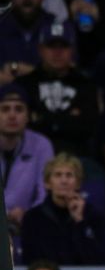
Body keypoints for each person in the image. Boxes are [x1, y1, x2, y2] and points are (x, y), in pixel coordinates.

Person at [16, 19, 99, 156]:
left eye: (63, 46)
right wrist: (68, 120)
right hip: (30, 155)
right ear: (40, 49)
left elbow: (88, 128)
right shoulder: (25, 84)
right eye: (51, 46)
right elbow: (23, 127)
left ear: (72, 50)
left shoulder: (86, 85)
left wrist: (43, 119)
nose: (57, 52)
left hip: (76, 157)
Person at [20, 152, 105, 265]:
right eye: (58, 175)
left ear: (78, 183)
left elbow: (100, 261)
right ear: (47, 183)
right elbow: (29, 261)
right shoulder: (32, 218)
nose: (64, 181)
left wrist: (80, 221)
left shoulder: (95, 216)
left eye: (69, 175)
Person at [0, 82, 52, 230]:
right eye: (5, 109)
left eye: (19, 109)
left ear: (28, 116)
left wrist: (28, 214)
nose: (12, 115)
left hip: (26, 226)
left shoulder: (41, 145)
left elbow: (46, 192)